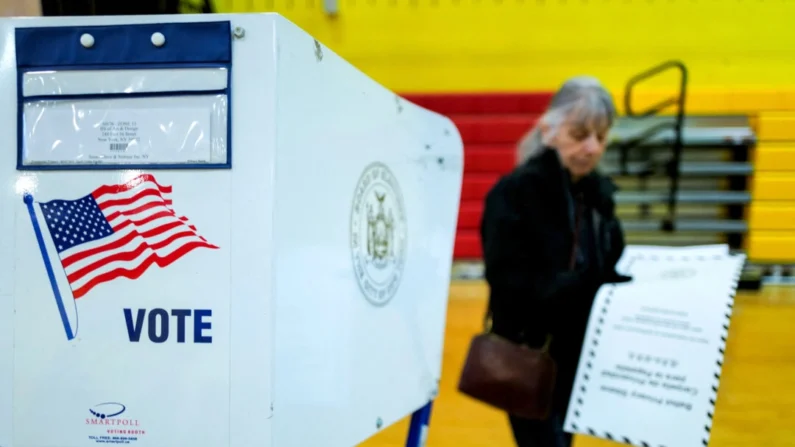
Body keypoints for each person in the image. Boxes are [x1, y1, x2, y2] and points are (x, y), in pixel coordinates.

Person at [479, 76, 632, 447]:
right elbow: (507, 280)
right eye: (580, 134)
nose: (592, 147)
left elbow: (609, 258)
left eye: (601, 135)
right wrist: (584, 286)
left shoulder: (596, 194)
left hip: (578, 354)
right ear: (550, 130)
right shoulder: (515, 193)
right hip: (528, 353)